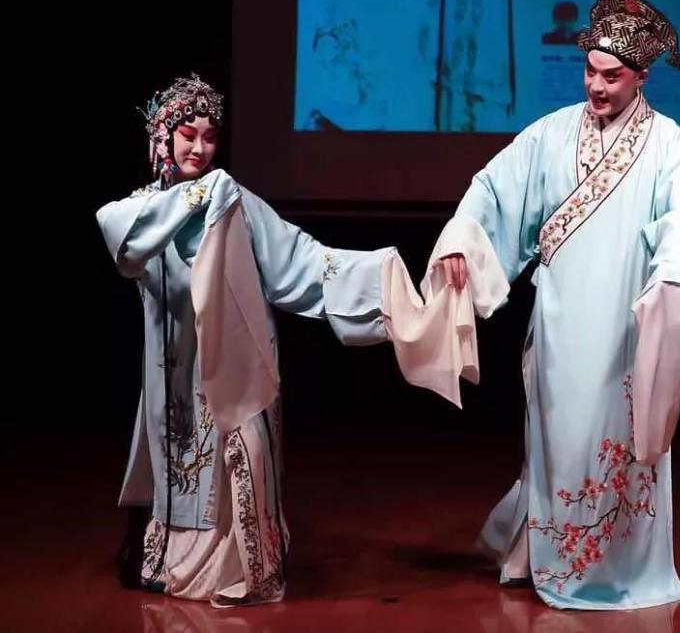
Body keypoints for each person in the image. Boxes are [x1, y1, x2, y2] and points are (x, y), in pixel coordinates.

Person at [97, 74, 474, 607]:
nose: (200, 148)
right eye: (188, 135)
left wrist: (383, 276)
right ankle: (168, 562)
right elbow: (123, 240)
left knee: (238, 457)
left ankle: (240, 567)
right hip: (172, 373)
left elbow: (302, 260)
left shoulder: (233, 203)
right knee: (176, 464)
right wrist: (198, 196)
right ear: (162, 137)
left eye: (210, 137)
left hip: (234, 360)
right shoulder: (146, 208)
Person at [435, 0, 680, 610]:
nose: (595, 86)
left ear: (642, 76)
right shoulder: (552, 133)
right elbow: (493, 189)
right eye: (589, 71)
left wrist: (671, 278)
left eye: (611, 76)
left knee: (608, 436)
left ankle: (606, 567)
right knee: (557, 437)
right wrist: (460, 237)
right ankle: (541, 551)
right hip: (560, 322)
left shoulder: (671, 145)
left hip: (624, 328)